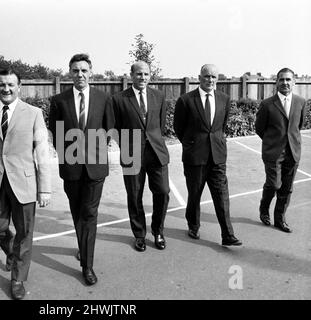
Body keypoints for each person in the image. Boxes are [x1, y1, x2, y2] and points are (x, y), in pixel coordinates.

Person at [0, 68, 51, 300]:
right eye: (2, 85)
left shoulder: (34, 113)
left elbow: (42, 154)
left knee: (25, 232)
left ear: (19, 87)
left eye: (10, 85)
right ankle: (13, 252)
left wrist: (44, 187)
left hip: (24, 183)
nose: (6, 89)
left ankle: (17, 279)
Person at [49, 53, 114, 285]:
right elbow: (56, 132)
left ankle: (87, 265)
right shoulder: (59, 100)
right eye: (75, 71)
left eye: (84, 70)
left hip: (96, 169)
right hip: (71, 168)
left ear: (91, 72)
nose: (80, 75)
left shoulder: (103, 98)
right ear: (70, 73)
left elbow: (108, 129)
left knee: (89, 213)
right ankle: (83, 245)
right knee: (77, 212)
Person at [173, 64, 242, 246]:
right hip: (195, 157)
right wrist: (192, 145)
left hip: (218, 157)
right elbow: (178, 128)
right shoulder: (186, 100)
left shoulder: (224, 99)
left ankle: (228, 234)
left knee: (222, 195)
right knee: (194, 194)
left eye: (213, 77)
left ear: (217, 79)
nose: (210, 80)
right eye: (206, 76)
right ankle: (193, 225)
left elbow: (221, 126)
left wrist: (216, 143)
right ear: (199, 77)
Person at [111, 61, 170, 252]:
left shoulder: (159, 96)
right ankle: (139, 235)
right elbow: (115, 128)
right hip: (132, 154)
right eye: (138, 74)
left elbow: (160, 126)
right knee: (134, 196)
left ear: (150, 75)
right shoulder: (119, 99)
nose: (142, 77)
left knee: (162, 191)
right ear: (131, 75)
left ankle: (158, 231)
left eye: (146, 74)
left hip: (156, 153)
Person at [255, 68, 308, 233]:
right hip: (273, 153)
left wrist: (291, 143)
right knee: (274, 184)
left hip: (293, 152)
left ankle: (280, 219)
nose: (285, 83)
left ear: (294, 82)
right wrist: (272, 142)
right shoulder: (267, 104)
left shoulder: (301, 102)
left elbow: (298, 126)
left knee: (287, 188)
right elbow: (259, 128)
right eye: (281, 80)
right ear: (276, 82)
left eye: (288, 80)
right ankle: (264, 208)